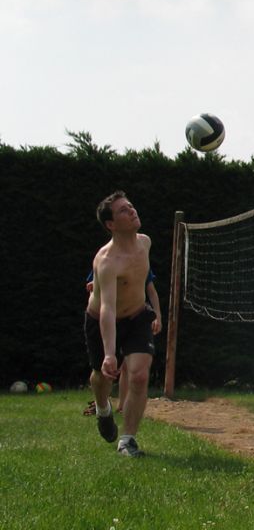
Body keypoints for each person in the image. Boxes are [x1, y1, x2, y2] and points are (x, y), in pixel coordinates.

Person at [85, 191, 157, 457]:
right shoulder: (106, 261)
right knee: (101, 375)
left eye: (131, 206)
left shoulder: (145, 242)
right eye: (124, 211)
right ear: (111, 225)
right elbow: (107, 308)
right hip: (103, 319)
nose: (132, 211)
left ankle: (127, 441)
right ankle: (103, 409)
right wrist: (109, 354)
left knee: (138, 375)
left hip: (138, 316)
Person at [83, 269, 162, 415]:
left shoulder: (140, 260)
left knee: (127, 365)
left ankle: (122, 406)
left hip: (132, 319)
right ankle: (101, 403)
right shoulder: (105, 259)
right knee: (104, 369)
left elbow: (151, 291)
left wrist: (157, 316)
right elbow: (94, 291)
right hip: (109, 320)